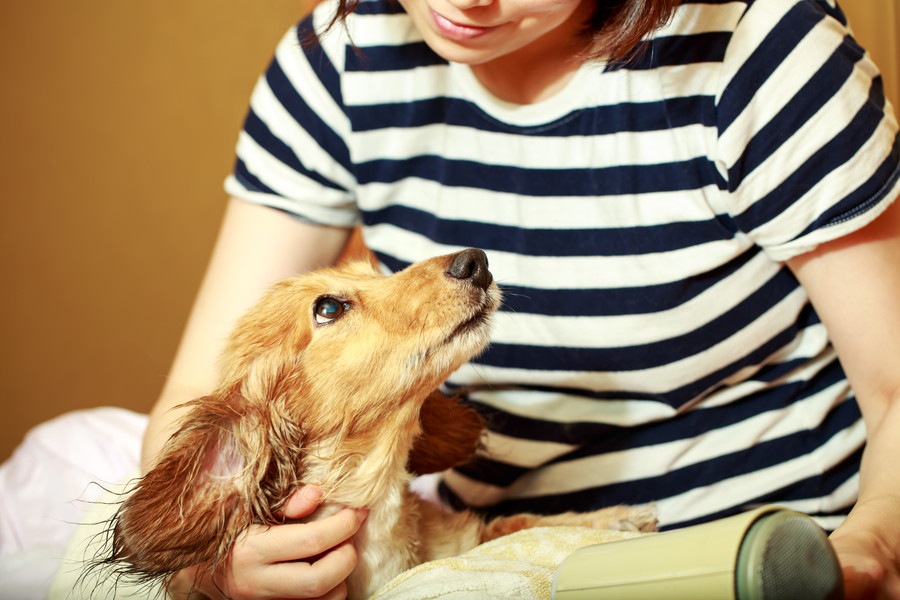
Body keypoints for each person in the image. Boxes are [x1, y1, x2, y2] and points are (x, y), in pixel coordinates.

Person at [144, 0, 900, 597]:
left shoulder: (762, 48)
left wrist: (870, 552)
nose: (466, 1)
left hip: (761, 551)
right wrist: (209, 565)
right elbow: (205, 394)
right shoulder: (336, 66)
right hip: (494, 562)